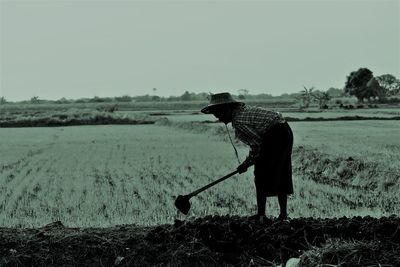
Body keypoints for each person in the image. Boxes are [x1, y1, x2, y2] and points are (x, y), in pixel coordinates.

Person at [201, 92, 293, 221]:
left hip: (276, 134)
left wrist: (246, 164)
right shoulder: (241, 112)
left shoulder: (239, 120)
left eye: (218, 114)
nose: (218, 118)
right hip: (284, 129)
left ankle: (262, 216)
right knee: (281, 170)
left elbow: (257, 145)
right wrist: (248, 163)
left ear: (226, 110)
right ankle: (281, 215)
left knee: (261, 173)